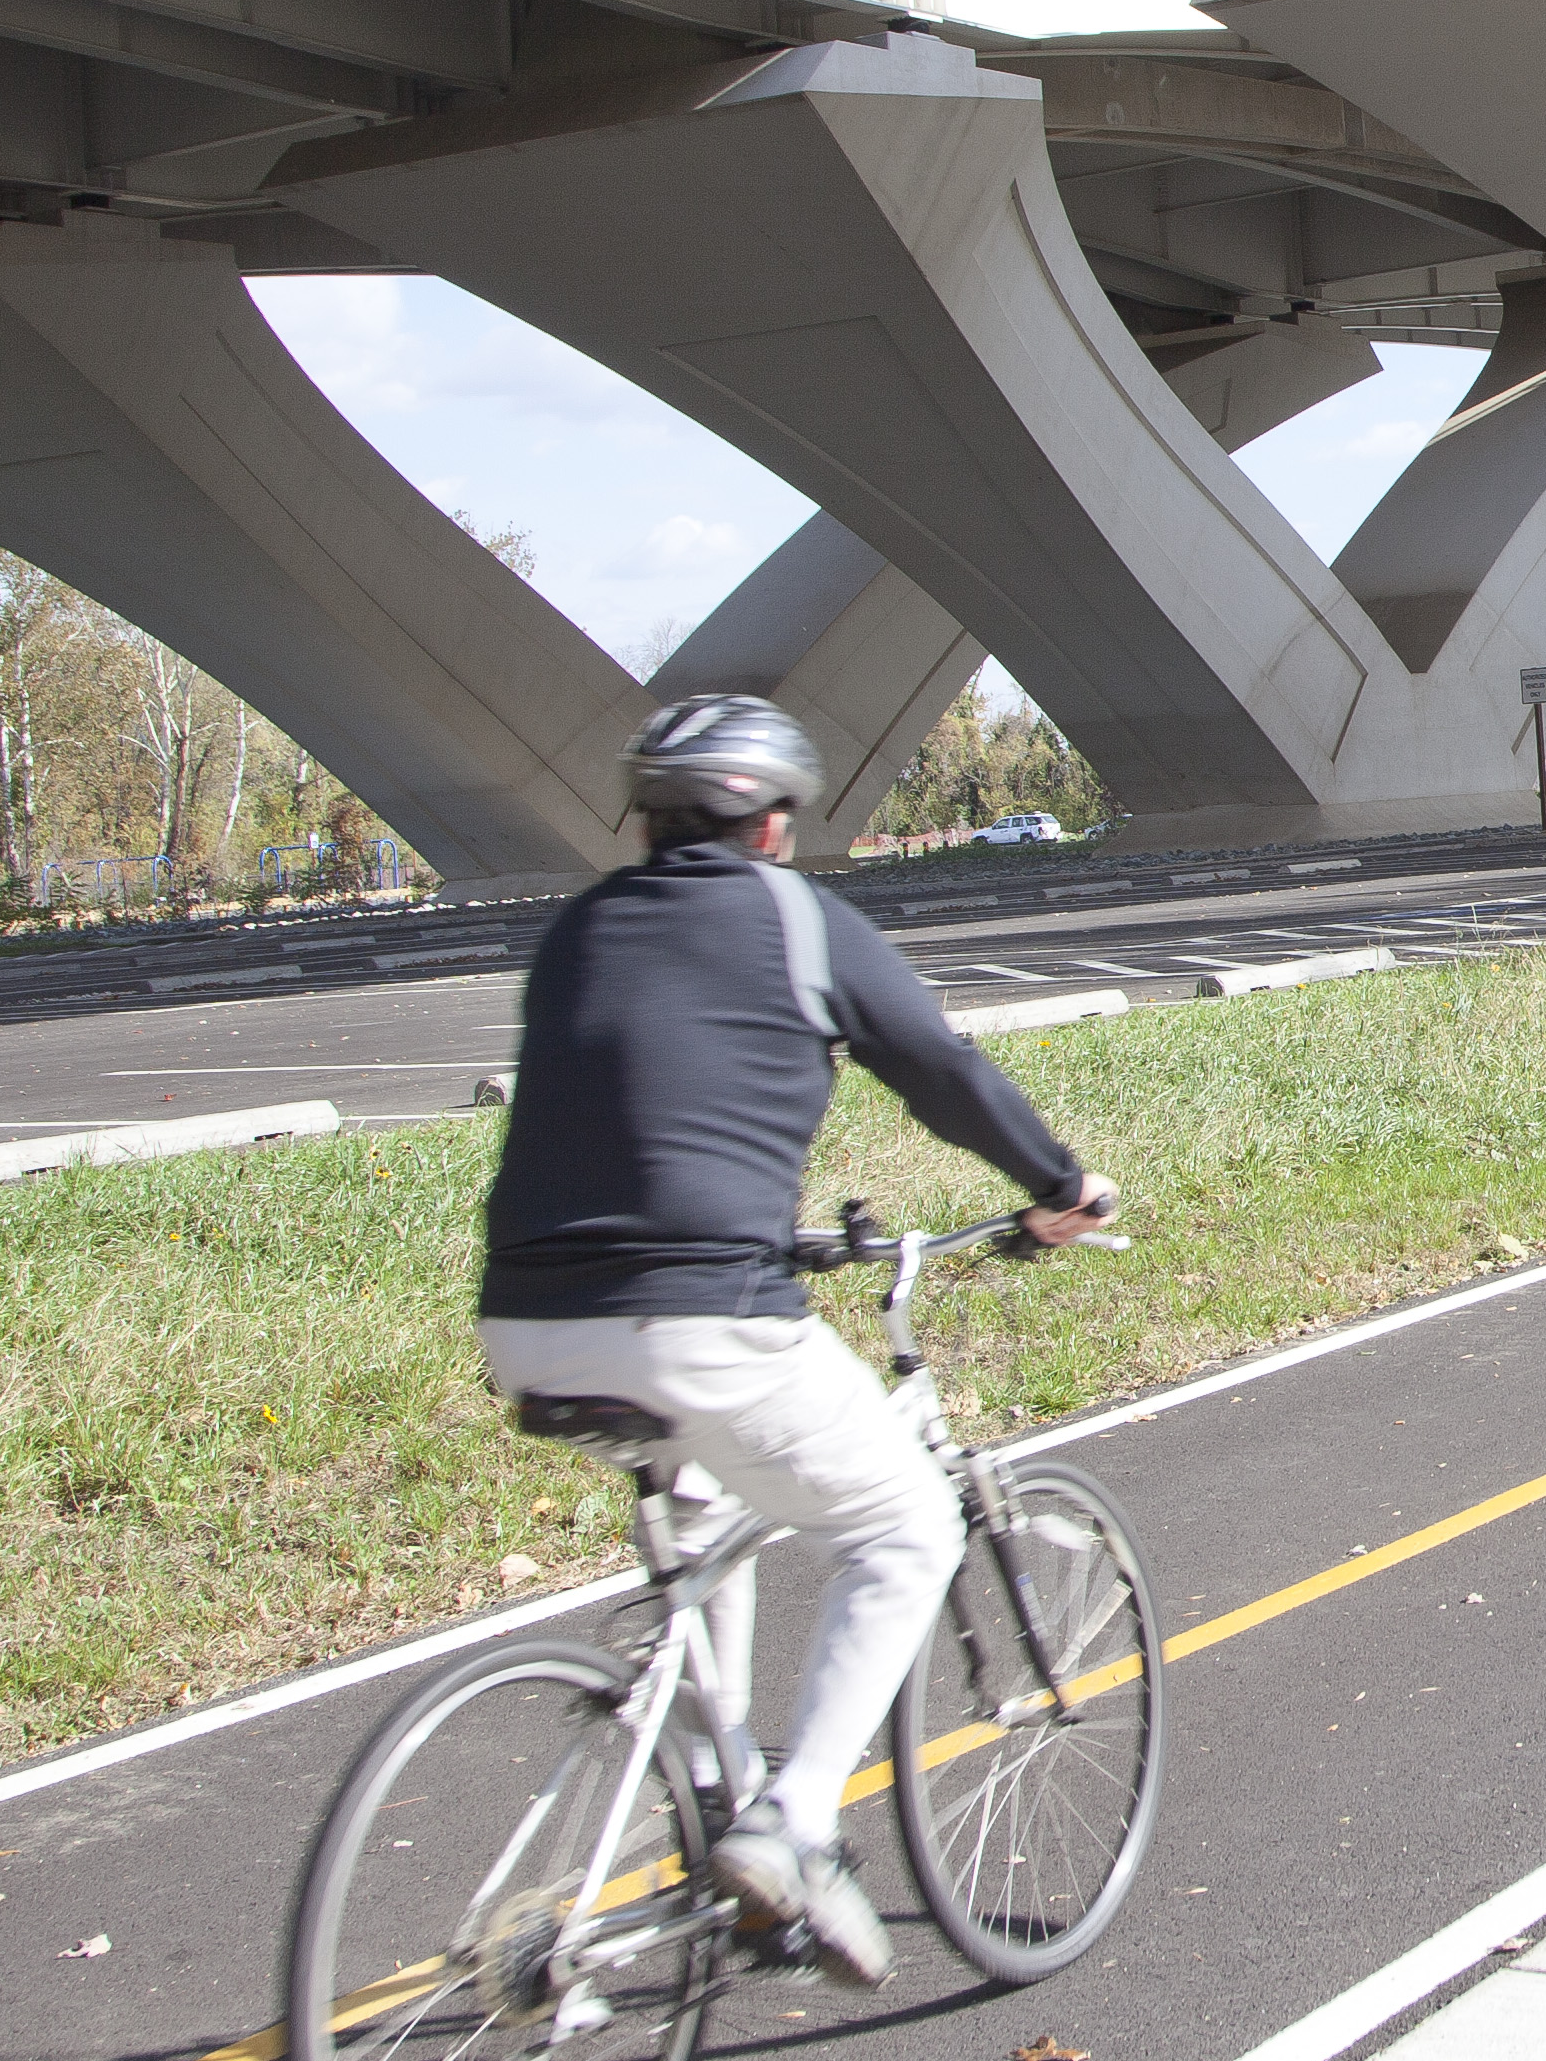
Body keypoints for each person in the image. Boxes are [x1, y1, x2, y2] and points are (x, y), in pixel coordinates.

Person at [475, 695, 1113, 1984]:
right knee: (909, 1527)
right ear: (771, 821)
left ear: (648, 820)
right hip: (699, 1317)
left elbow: (644, 1097)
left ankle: (713, 1783)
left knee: (707, 1502)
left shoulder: (579, 930)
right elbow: (938, 1068)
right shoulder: (795, 919)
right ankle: (794, 1825)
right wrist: (1059, 1183)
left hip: (528, 1321)